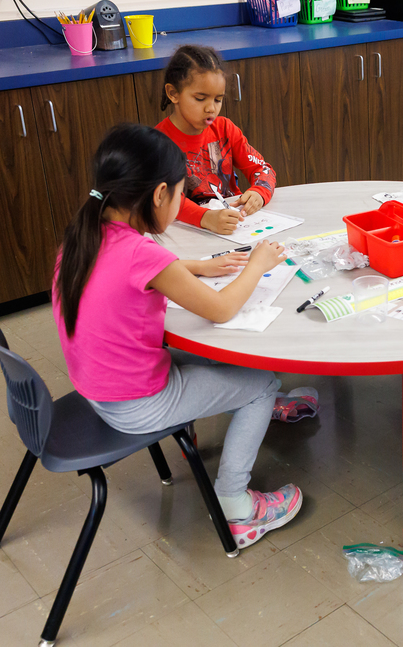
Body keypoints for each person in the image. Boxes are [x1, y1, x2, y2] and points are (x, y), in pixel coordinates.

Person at [51, 123, 301, 549]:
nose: (182, 202)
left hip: (98, 389)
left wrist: (197, 266)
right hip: (136, 404)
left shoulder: (85, 235)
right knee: (261, 384)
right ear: (159, 195)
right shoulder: (142, 253)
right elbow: (221, 310)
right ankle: (236, 507)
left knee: (227, 362)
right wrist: (258, 263)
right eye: (181, 194)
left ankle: (265, 414)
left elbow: (138, 273)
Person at [155, 45, 277, 235]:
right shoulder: (157, 143)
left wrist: (260, 192)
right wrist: (204, 218)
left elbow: (263, 169)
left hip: (233, 228)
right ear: (173, 93)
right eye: (200, 98)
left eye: (218, 99)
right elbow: (166, 198)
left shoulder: (225, 129)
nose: (211, 108)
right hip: (185, 234)